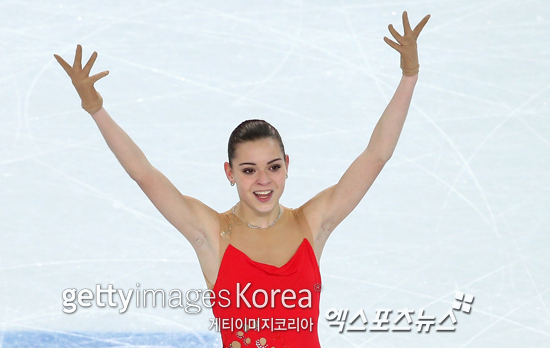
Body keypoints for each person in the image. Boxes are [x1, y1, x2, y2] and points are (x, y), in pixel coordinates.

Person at [54, 11, 430, 348]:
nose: (263, 180)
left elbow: (376, 155)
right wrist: (96, 109)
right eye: (249, 170)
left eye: (273, 166)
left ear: (287, 165)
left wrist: (409, 77)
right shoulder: (211, 235)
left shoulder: (312, 223)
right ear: (229, 173)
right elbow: (144, 173)